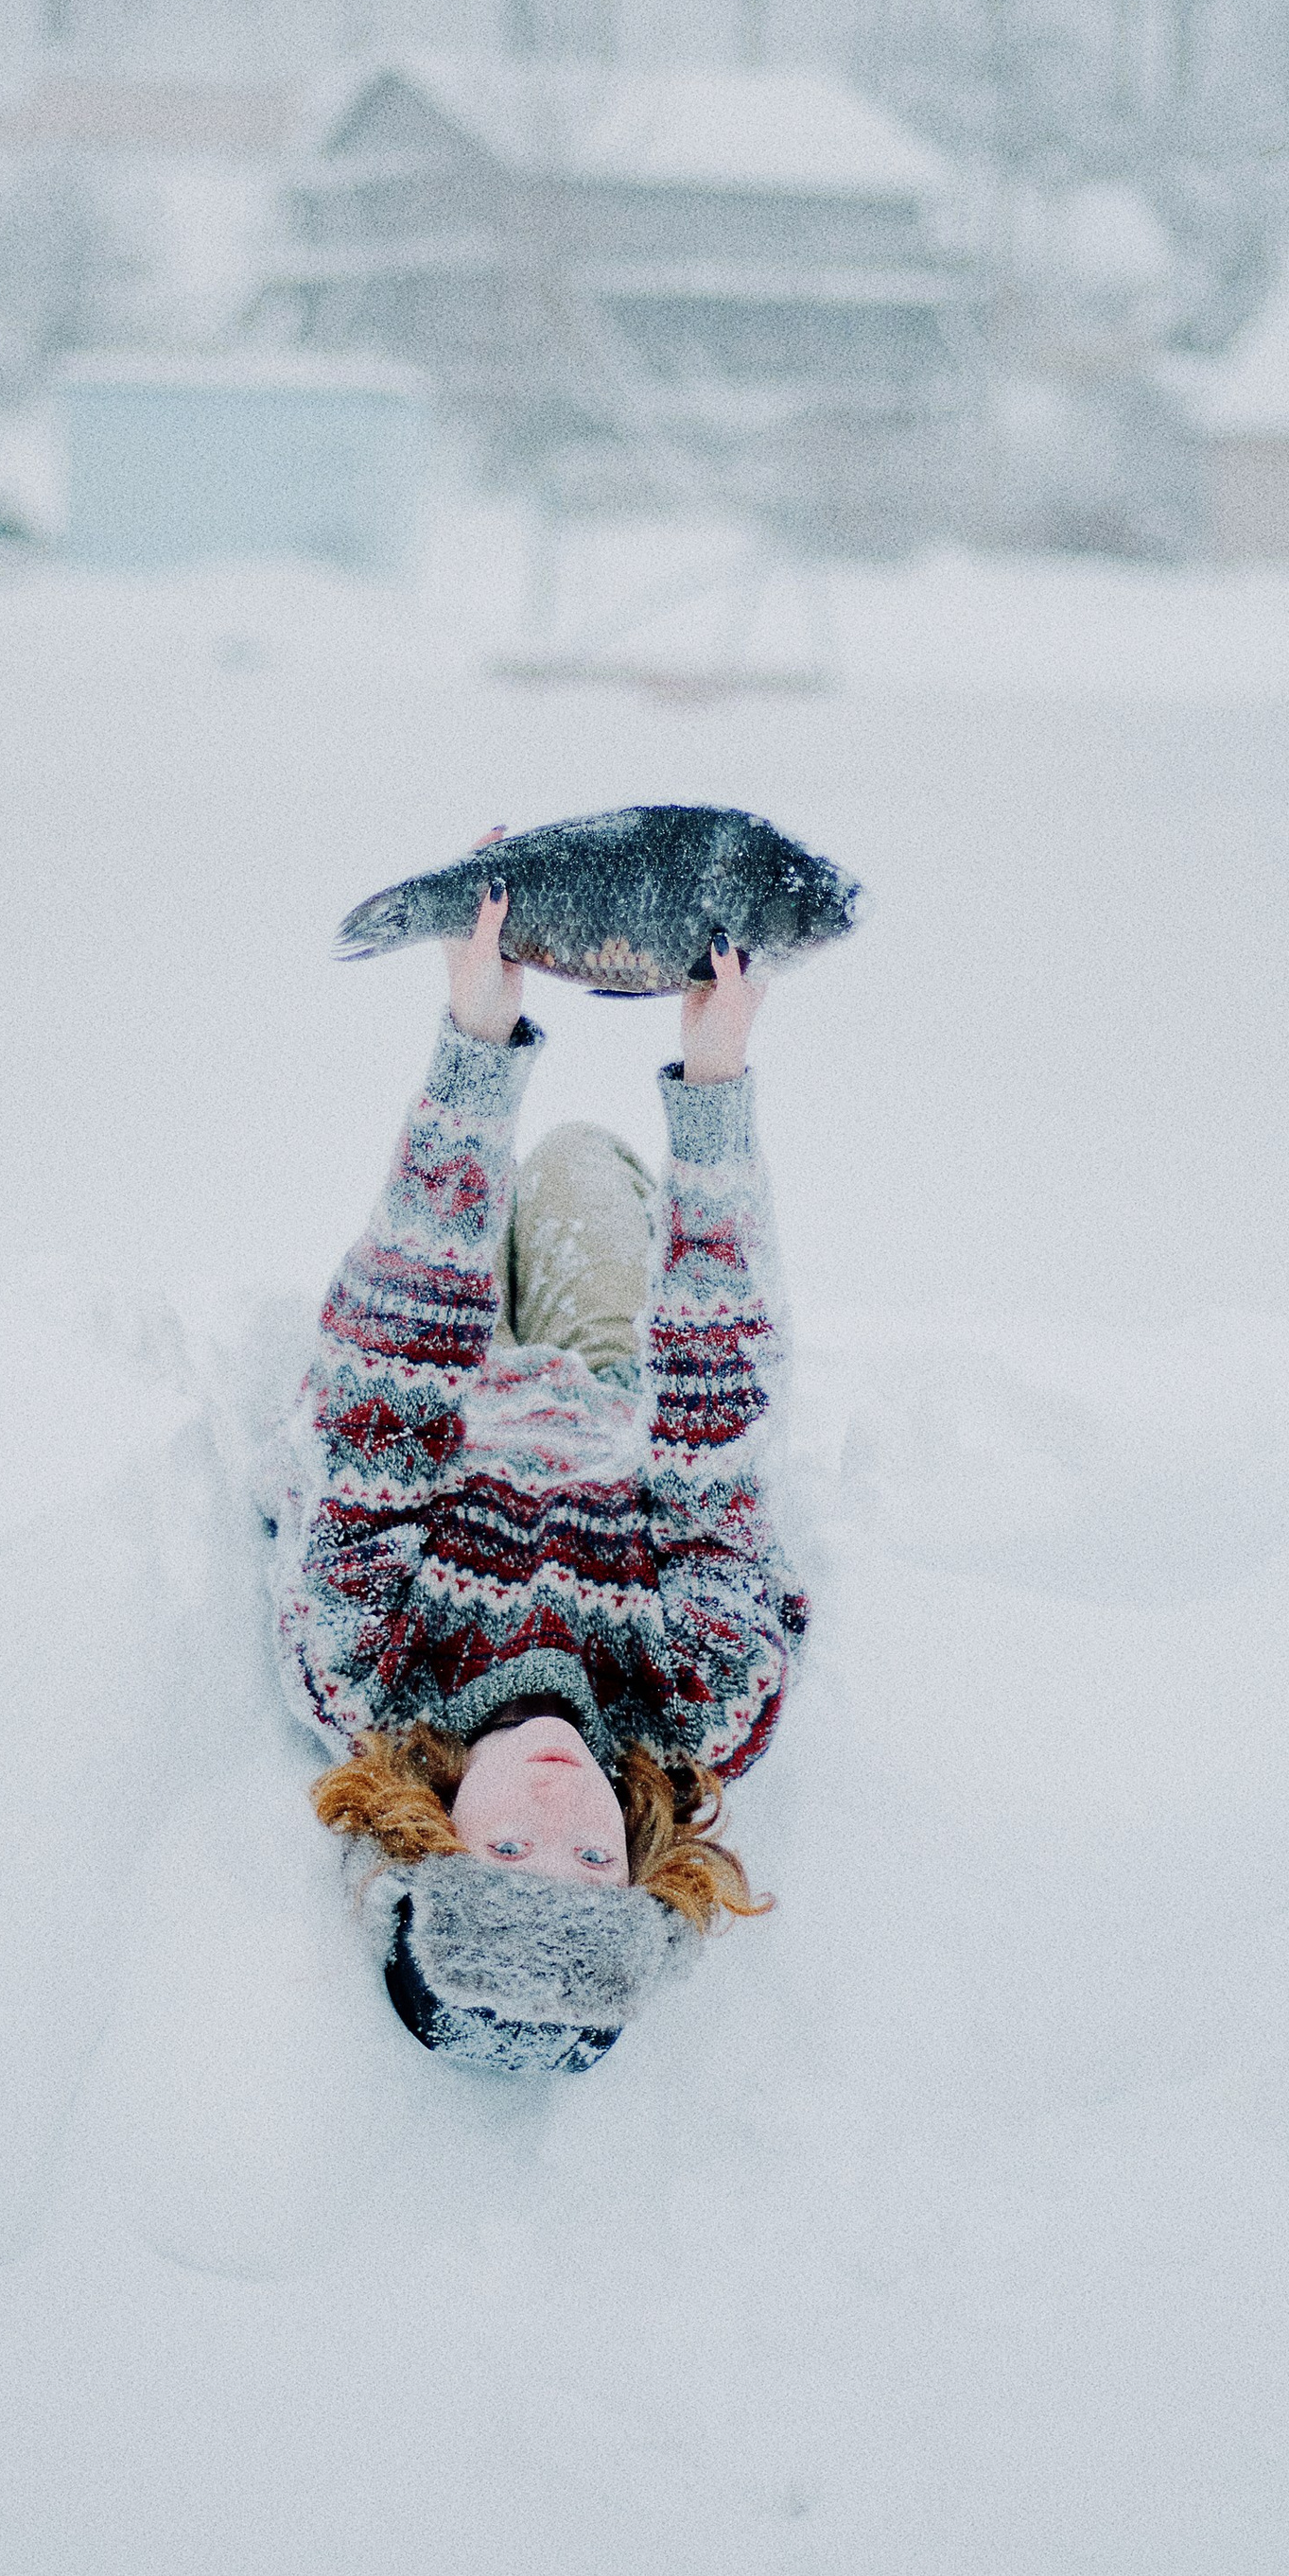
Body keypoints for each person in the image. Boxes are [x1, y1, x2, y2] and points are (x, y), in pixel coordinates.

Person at [266, 867, 808, 2074]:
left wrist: (477, 1044)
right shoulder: (698, 1706)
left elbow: (394, 1368)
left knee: (458, 1223)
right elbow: (713, 1426)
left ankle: (485, 1207)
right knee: (572, 1160)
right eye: (592, 1862)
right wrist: (714, 1091)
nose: (563, 1814)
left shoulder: (369, 1669)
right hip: (603, 1403)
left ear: (435, 1837)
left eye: (509, 1853)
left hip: (444, 1415)